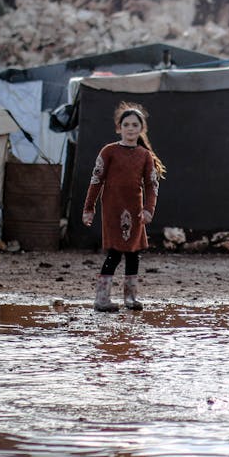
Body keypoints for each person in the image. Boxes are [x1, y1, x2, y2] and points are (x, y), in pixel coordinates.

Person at [82, 103, 165, 312]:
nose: (130, 128)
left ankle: (130, 299)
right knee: (115, 253)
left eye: (134, 125)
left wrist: (148, 209)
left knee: (133, 253)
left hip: (135, 211)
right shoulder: (109, 151)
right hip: (112, 209)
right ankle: (101, 300)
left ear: (141, 129)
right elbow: (96, 180)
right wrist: (88, 208)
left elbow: (152, 185)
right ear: (119, 128)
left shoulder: (144, 156)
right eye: (126, 124)